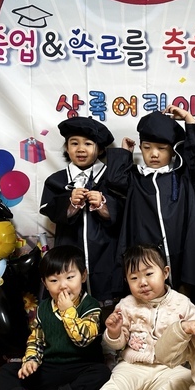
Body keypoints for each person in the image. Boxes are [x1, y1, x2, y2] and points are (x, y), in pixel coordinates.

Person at [62, 244, 195, 390]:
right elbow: (117, 345)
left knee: (186, 382)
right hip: (133, 365)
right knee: (114, 389)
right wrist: (114, 331)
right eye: (134, 278)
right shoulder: (126, 305)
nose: (142, 282)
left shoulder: (183, 304)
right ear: (127, 281)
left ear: (165, 272)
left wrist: (191, 330)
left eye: (149, 274)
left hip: (171, 367)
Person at [105, 105, 195, 310]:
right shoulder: (136, 178)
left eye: (161, 148)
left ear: (172, 150)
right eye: (147, 147)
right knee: (146, 306)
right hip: (145, 258)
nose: (153, 154)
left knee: (181, 307)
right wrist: (124, 153)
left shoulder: (182, 176)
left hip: (181, 253)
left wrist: (188, 118)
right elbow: (115, 180)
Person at [0, 245, 111, 390]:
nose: (63, 285)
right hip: (50, 367)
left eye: (70, 277)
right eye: (54, 280)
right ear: (45, 283)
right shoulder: (43, 308)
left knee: (103, 374)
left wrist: (68, 312)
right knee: (7, 371)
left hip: (81, 367)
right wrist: (31, 360)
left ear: (83, 276)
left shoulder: (91, 306)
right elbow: (36, 339)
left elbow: (83, 339)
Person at [40, 116, 124, 310]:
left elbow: (124, 211)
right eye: (74, 143)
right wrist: (70, 203)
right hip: (69, 246)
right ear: (67, 148)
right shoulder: (57, 180)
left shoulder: (112, 179)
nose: (80, 149)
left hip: (106, 250)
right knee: (70, 301)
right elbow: (50, 209)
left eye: (88, 143)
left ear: (100, 149)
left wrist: (103, 204)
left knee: (107, 306)